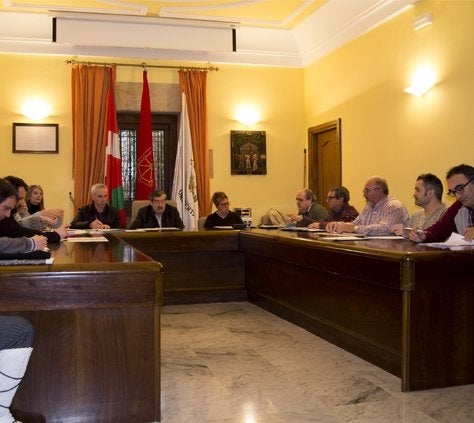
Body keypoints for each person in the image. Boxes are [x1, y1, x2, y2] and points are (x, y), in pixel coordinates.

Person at [409, 164, 474, 243]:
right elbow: (441, 229)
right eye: (453, 192)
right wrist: (424, 236)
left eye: (460, 188)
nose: (458, 196)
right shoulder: (459, 206)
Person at [326, 176, 409, 235]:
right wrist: (338, 224)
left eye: (366, 191)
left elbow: (385, 229)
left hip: (390, 254)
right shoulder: (368, 207)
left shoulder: (394, 206)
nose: (364, 194)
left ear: (377, 191)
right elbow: (356, 223)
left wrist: (354, 229)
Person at [0, 178, 65, 243]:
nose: (39, 196)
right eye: (35, 193)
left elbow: (19, 230)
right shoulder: (18, 210)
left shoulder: (13, 210)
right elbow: (18, 229)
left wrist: (60, 217)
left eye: (41, 194)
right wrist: (40, 216)